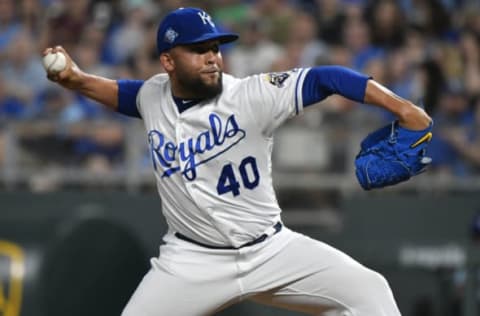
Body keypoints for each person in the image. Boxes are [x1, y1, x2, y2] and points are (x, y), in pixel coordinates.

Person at [44, 7, 431, 316]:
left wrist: (402, 107)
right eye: (198, 50)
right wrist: (77, 80)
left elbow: (324, 78)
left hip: (271, 250)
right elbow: (124, 94)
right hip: (191, 260)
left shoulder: (250, 96)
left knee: (370, 292)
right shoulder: (153, 95)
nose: (212, 58)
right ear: (168, 61)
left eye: (215, 48)